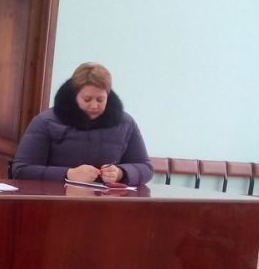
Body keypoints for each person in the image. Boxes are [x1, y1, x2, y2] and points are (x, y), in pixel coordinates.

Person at [11, 62, 153, 186]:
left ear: (108, 96)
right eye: (87, 99)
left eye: (100, 99)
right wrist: (69, 174)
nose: (94, 105)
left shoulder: (125, 123)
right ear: (74, 96)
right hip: (57, 201)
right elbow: (21, 170)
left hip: (106, 202)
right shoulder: (46, 121)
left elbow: (146, 168)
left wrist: (121, 173)